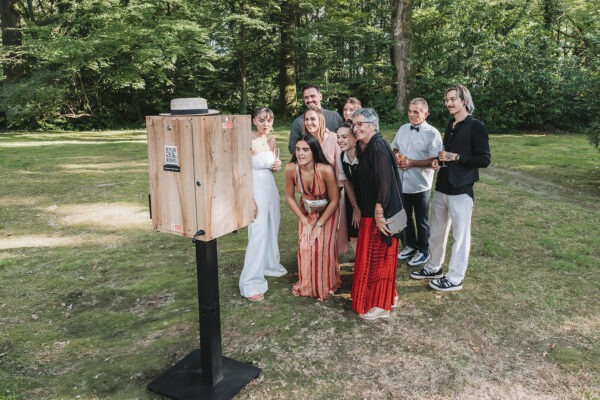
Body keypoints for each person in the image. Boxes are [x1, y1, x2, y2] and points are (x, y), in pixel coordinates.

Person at [410, 85, 491, 291]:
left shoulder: (476, 126)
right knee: (436, 232)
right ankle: (433, 267)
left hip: (462, 189)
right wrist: (440, 162)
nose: (448, 103)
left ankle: (455, 278)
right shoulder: (451, 125)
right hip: (442, 186)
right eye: (447, 100)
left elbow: (484, 159)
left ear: (464, 100)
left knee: (460, 236)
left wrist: (456, 157)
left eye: (453, 99)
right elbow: (445, 153)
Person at [351, 108, 404, 320]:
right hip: (375, 211)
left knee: (381, 258)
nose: (355, 128)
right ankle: (388, 297)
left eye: (359, 124)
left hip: (383, 214)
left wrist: (379, 210)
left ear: (373, 125)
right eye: (353, 125)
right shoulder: (372, 146)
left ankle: (381, 305)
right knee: (382, 258)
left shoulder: (379, 147)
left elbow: (385, 180)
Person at [284, 134, 341, 300]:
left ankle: (327, 285)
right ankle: (307, 286)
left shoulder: (325, 169)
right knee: (306, 246)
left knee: (322, 247)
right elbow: (289, 196)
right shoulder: (291, 169)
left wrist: (319, 224)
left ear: (314, 151)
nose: (301, 153)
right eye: (298, 149)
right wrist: (305, 221)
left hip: (327, 212)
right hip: (307, 211)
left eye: (306, 150)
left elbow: (335, 200)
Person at [239, 107, 287, 301]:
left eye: (269, 120)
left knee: (272, 227)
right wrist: (249, 199)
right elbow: (242, 171)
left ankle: (269, 264)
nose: (266, 124)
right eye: (262, 120)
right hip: (255, 189)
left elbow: (271, 165)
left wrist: (276, 166)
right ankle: (250, 283)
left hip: (270, 188)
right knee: (257, 234)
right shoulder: (247, 140)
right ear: (254, 121)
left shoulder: (271, 141)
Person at [391, 98, 442, 267]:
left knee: (422, 220)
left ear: (425, 114)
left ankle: (424, 250)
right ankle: (411, 245)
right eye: (410, 111)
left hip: (420, 184)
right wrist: (397, 155)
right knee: (404, 218)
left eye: (416, 112)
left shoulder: (433, 133)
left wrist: (412, 163)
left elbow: (436, 159)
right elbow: (395, 147)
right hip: (401, 182)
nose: (412, 115)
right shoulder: (403, 128)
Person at [288, 84, 343, 154]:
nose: (309, 100)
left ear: (320, 97)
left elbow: (343, 141)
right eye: (306, 97)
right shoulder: (298, 122)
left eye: (312, 96)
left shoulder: (335, 117)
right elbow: (292, 147)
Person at [336, 122, 361, 254]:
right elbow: (346, 182)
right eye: (338, 137)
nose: (340, 140)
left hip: (369, 198)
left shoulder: (364, 155)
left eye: (344, 137)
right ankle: (359, 262)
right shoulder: (341, 156)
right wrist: (355, 207)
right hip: (353, 199)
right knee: (353, 233)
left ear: (355, 137)